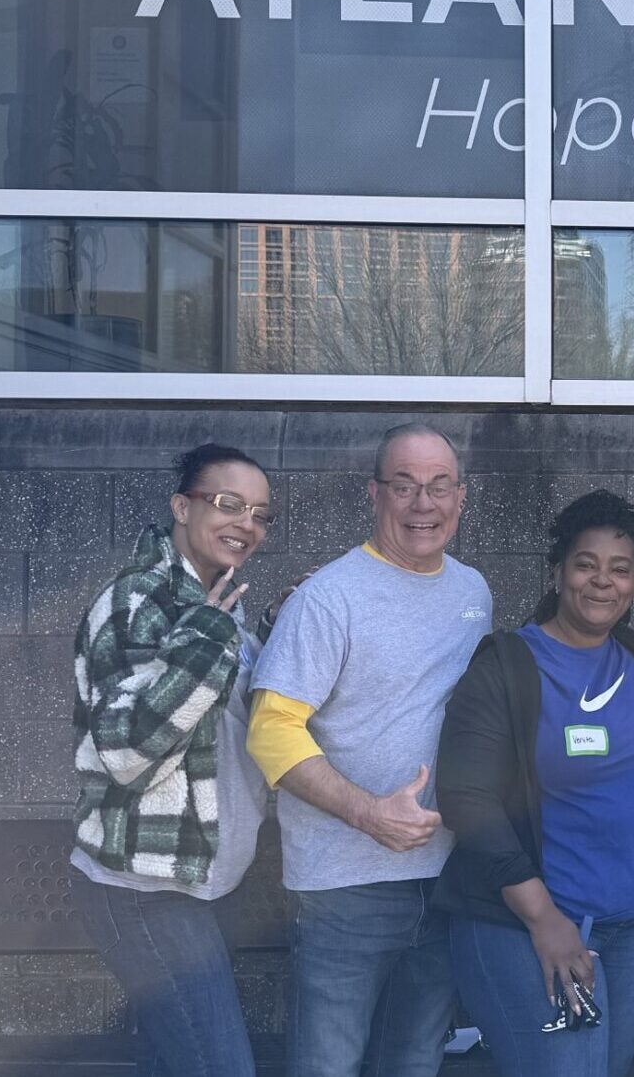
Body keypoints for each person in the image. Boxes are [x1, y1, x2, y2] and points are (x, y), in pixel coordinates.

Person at [247, 423, 494, 1077]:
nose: (423, 503)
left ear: (461, 498)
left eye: (439, 486)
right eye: (404, 485)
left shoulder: (474, 593)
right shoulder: (329, 597)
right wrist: (368, 812)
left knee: (413, 1062)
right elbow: (270, 729)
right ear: (374, 494)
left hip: (444, 882)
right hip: (346, 889)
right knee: (328, 1065)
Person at [435, 490, 634, 1077]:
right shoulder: (507, 664)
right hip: (532, 925)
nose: (602, 582)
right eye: (586, 564)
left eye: (621, 570)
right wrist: (545, 919)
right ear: (558, 570)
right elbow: (468, 800)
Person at [70, 443, 281, 1077]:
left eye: (260, 514)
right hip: (145, 888)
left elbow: (218, 724)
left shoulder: (219, 603)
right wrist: (211, 640)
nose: (246, 523)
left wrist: (272, 628)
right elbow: (127, 749)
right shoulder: (138, 602)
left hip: (205, 884)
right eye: (228, 504)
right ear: (180, 506)